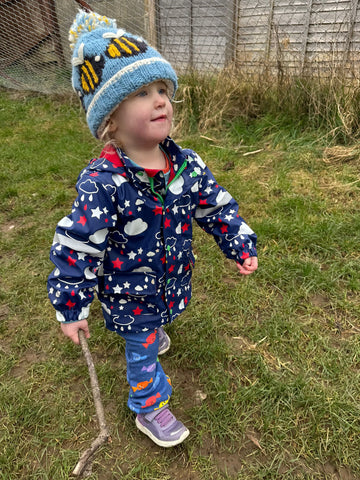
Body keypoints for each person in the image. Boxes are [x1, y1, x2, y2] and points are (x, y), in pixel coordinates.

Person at [47, 10, 258, 448]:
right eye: (142, 93)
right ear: (110, 119)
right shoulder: (103, 182)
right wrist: (72, 304)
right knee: (141, 349)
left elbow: (215, 208)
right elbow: (79, 245)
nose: (161, 100)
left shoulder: (185, 164)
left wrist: (238, 242)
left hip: (170, 279)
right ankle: (149, 407)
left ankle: (154, 326)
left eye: (163, 89)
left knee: (153, 325)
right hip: (129, 293)